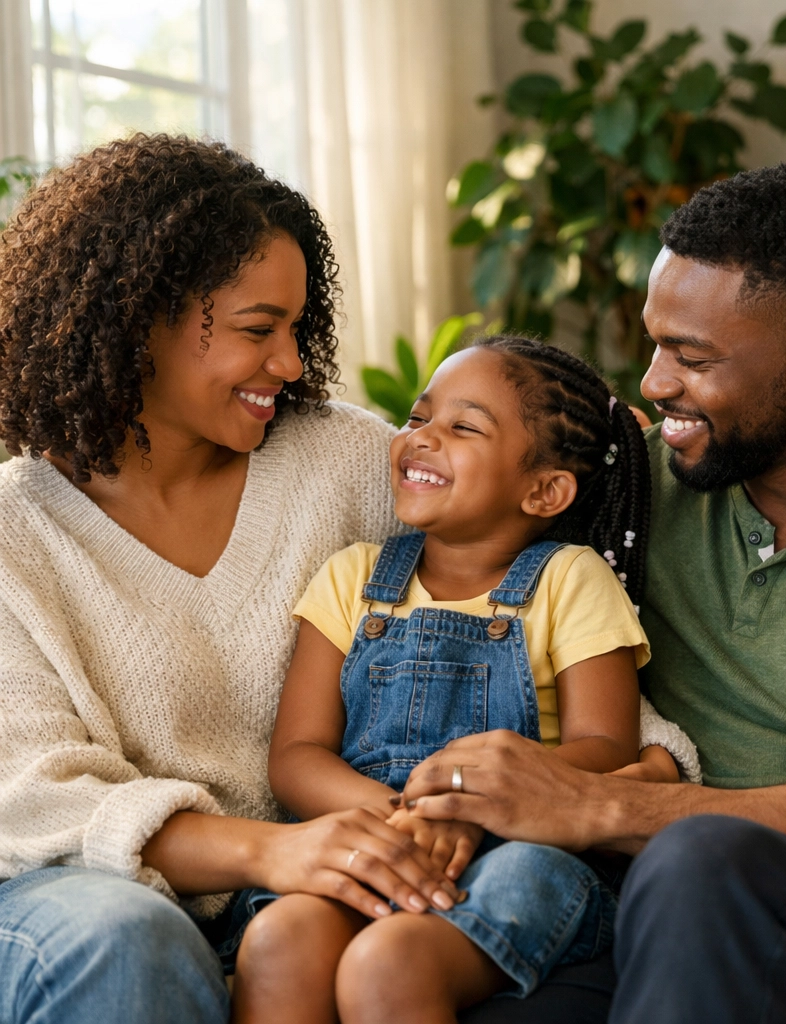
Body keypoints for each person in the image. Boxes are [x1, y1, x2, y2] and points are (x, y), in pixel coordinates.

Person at [397, 163, 786, 1023]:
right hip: (619, 908)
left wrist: (597, 804)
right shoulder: (635, 488)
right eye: (657, 344)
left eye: (691, 357)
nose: (653, 384)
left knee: (704, 861)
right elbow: (451, 501)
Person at [0, 134, 466, 1024]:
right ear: (135, 316)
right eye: (258, 330)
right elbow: (30, 796)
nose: (291, 365)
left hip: (304, 904)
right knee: (129, 936)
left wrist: (626, 763)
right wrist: (270, 853)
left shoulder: (346, 462)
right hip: (74, 897)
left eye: (298, 328)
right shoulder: (13, 533)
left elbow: (500, 603)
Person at [232, 336, 688, 1023]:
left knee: (389, 962)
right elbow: (296, 756)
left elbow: (606, 749)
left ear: (545, 489)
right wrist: (399, 826)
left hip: (519, 853)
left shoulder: (569, 580)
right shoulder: (351, 577)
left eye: (462, 426)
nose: (422, 438)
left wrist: (477, 809)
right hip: (370, 834)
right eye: (418, 419)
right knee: (278, 940)